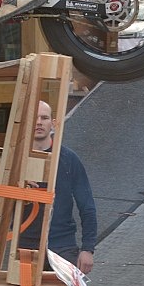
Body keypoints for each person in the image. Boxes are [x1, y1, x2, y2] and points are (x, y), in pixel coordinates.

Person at [17, 100, 98, 274]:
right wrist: (17, 188)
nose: (39, 122)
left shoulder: (68, 159)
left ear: (53, 123)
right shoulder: (15, 162)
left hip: (63, 247)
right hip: (25, 247)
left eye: (44, 118)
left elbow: (87, 206)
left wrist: (88, 249)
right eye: (34, 117)